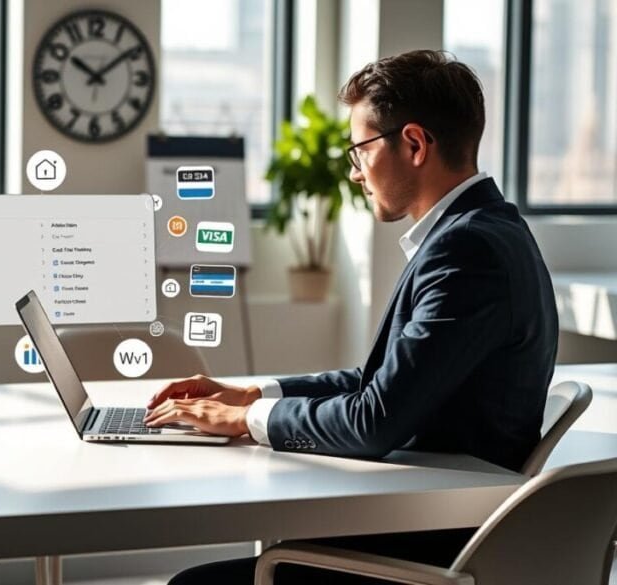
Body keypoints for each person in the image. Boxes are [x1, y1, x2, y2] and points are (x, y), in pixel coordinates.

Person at [144, 49, 559, 584]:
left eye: (359, 149)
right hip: (422, 517)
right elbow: (378, 384)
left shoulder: (467, 253)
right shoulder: (485, 232)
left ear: (413, 144)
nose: (355, 171)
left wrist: (242, 423)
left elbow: (374, 419)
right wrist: (253, 396)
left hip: (428, 547)